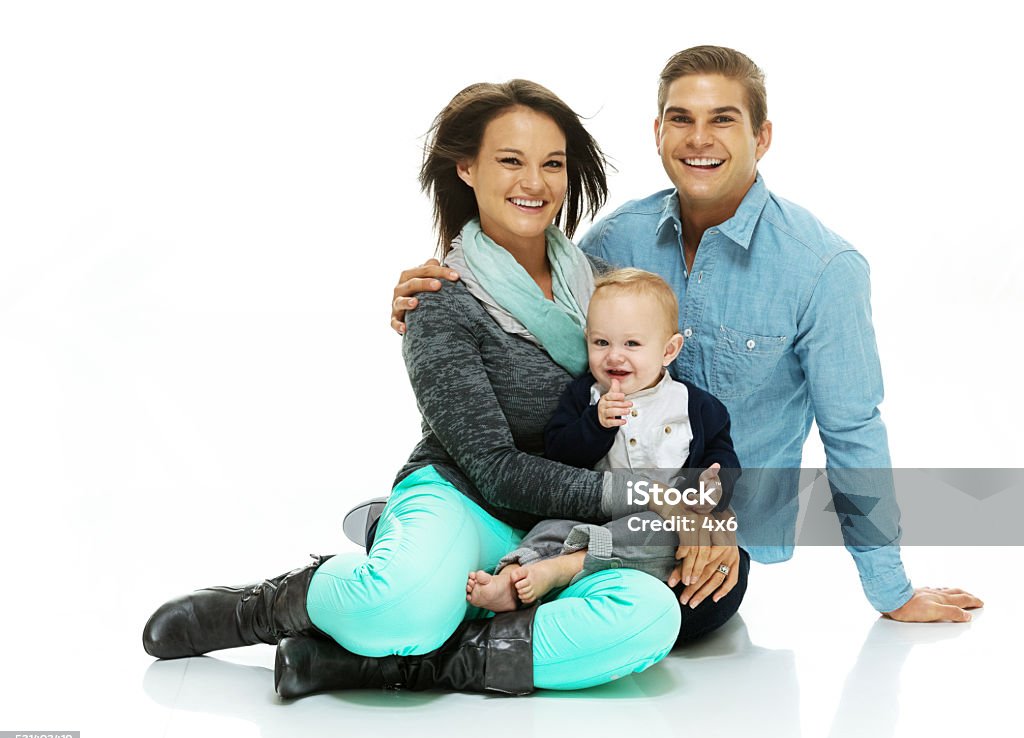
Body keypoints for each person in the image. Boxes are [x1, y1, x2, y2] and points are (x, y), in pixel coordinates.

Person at [143, 78, 749, 701]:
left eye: (552, 163)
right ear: (466, 168)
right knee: (399, 609)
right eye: (510, 161)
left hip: (562, 528)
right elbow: (492, 469)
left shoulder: (602, 289)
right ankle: (269, 607)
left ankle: (407, 666)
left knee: (650, 617)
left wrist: (708, 508)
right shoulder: (439, 301)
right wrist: (656, 498)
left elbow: (672, 412)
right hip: (470, 498)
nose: (534, 183)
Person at [390, 46, 983, 623]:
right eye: (682, 119)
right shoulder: (612, 246)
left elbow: (853, 431)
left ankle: (499, 614)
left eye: (723, 120)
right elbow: (530, 313)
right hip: (580, 505)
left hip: (713, 537)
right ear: (657, 132)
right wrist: (436, 290)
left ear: (763, 137)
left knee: (680, 614)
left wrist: (889, 588)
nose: (699, 139)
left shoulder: (822, 269)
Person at [467, 267, 743, 612]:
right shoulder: (585, 396)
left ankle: (564, 568)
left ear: (668, 350)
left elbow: (723, 458)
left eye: (632, 344)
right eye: (601, 342)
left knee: (670, 535)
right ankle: (513, 574)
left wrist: (714, 489)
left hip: (657, 520)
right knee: (550, 527)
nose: (614, 355)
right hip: (592, 513)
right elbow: (559, 454)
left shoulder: (696, 406)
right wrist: (596, 425)